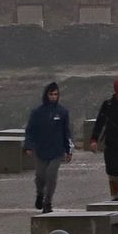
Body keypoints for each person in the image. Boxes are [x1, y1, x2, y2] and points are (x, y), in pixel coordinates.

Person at [22, 81, 72, 213]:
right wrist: (28, 146)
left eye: (56, 94)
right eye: (51, 94)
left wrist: (69, 150)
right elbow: (30, 130)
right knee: (40, 176)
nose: (53, 97)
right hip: (41, 150)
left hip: (57, 151)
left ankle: (48, 202)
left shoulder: (62, 112)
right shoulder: (37, 113)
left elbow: (66, 132)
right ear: (46, 95)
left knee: (51, 175)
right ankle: (40, 194)